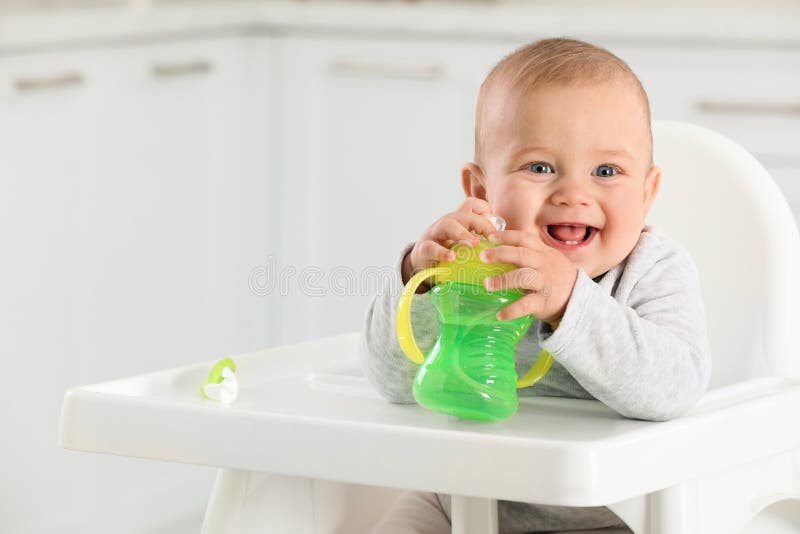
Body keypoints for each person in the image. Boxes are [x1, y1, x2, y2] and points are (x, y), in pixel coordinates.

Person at [358, 37, 712, 534]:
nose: (573, 194)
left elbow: (676, 387)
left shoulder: (654, 269)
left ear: (647, 193)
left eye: (606, 171)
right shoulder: (472, 263)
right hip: (463, 498)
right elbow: (390, 383)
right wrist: (421, 281)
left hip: (608, 517)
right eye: (540, 167)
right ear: (482, 191)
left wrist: (570, 302)